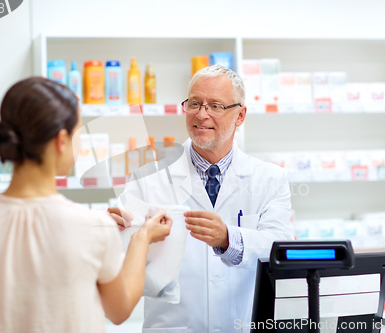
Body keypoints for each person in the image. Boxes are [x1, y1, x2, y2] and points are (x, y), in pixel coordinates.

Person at [0, 77, 172, 333]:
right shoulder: (92, 228)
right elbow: (119, 310)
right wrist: (142, 238)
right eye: (79, 133)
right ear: (61, 140)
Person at [109, 65, 294, 332]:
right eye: (194, 103)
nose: (201, 114)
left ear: (240, 115)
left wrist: (230, 239)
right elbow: (120, 258)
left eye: (215, 106)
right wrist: (113, 231)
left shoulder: (270, 179)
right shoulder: (149, 177)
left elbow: (282, 248)